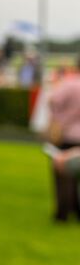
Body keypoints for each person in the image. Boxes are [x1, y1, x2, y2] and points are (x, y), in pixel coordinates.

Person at [45, 65, 80, 221]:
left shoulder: (70, 83)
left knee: (63, 174)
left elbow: (53, 100)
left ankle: (63, 213)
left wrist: (59, 117)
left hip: (68, 134)